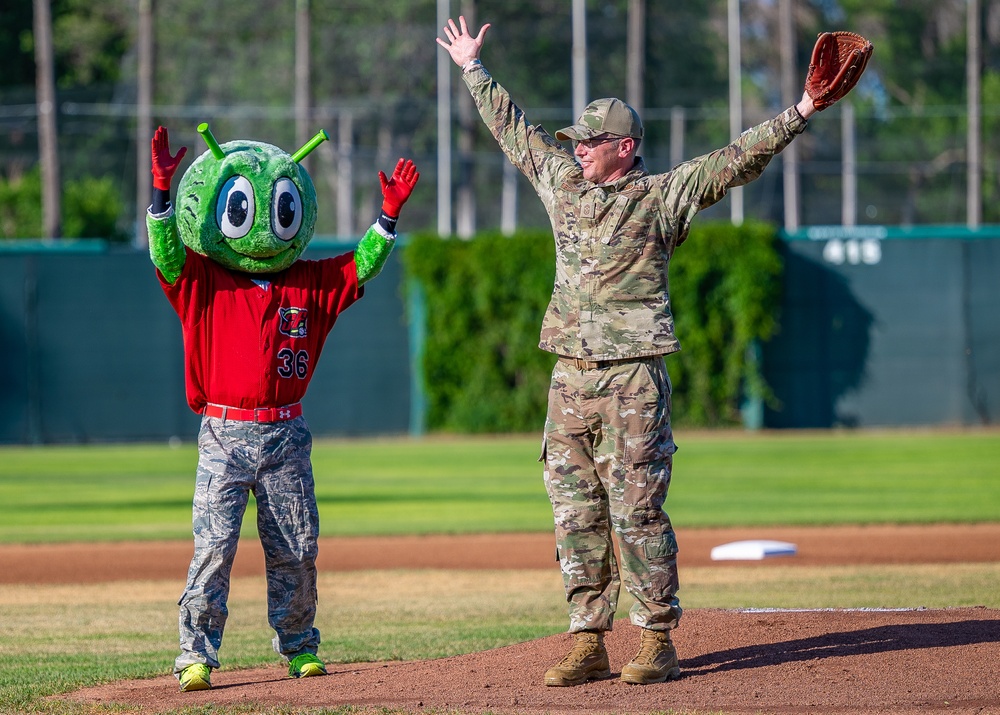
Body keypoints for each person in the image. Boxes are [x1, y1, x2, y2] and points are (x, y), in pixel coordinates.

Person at [437, 15, 831, 687]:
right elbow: (515, 133)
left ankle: (656, 639)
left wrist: (800, 111)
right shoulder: (563, 184)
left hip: (632, 381)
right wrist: (473, 69)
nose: (579, 147)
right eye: (578, 139)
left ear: (625, 146)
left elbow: (735, 160)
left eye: (591, 140)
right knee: (575, 512)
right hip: (570, 377)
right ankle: (588, 637)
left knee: (638, 509)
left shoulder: (659, 197)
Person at [146, 124, 419, 692]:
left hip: (286, 436)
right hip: (224, 431)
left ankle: (298, 647)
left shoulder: (307, 283)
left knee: (296, 548)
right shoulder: (203, 280)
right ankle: (195, 654)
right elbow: (167, 253)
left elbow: (360, 265)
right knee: (214, 550)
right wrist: (162, 195)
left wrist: (388, 217)